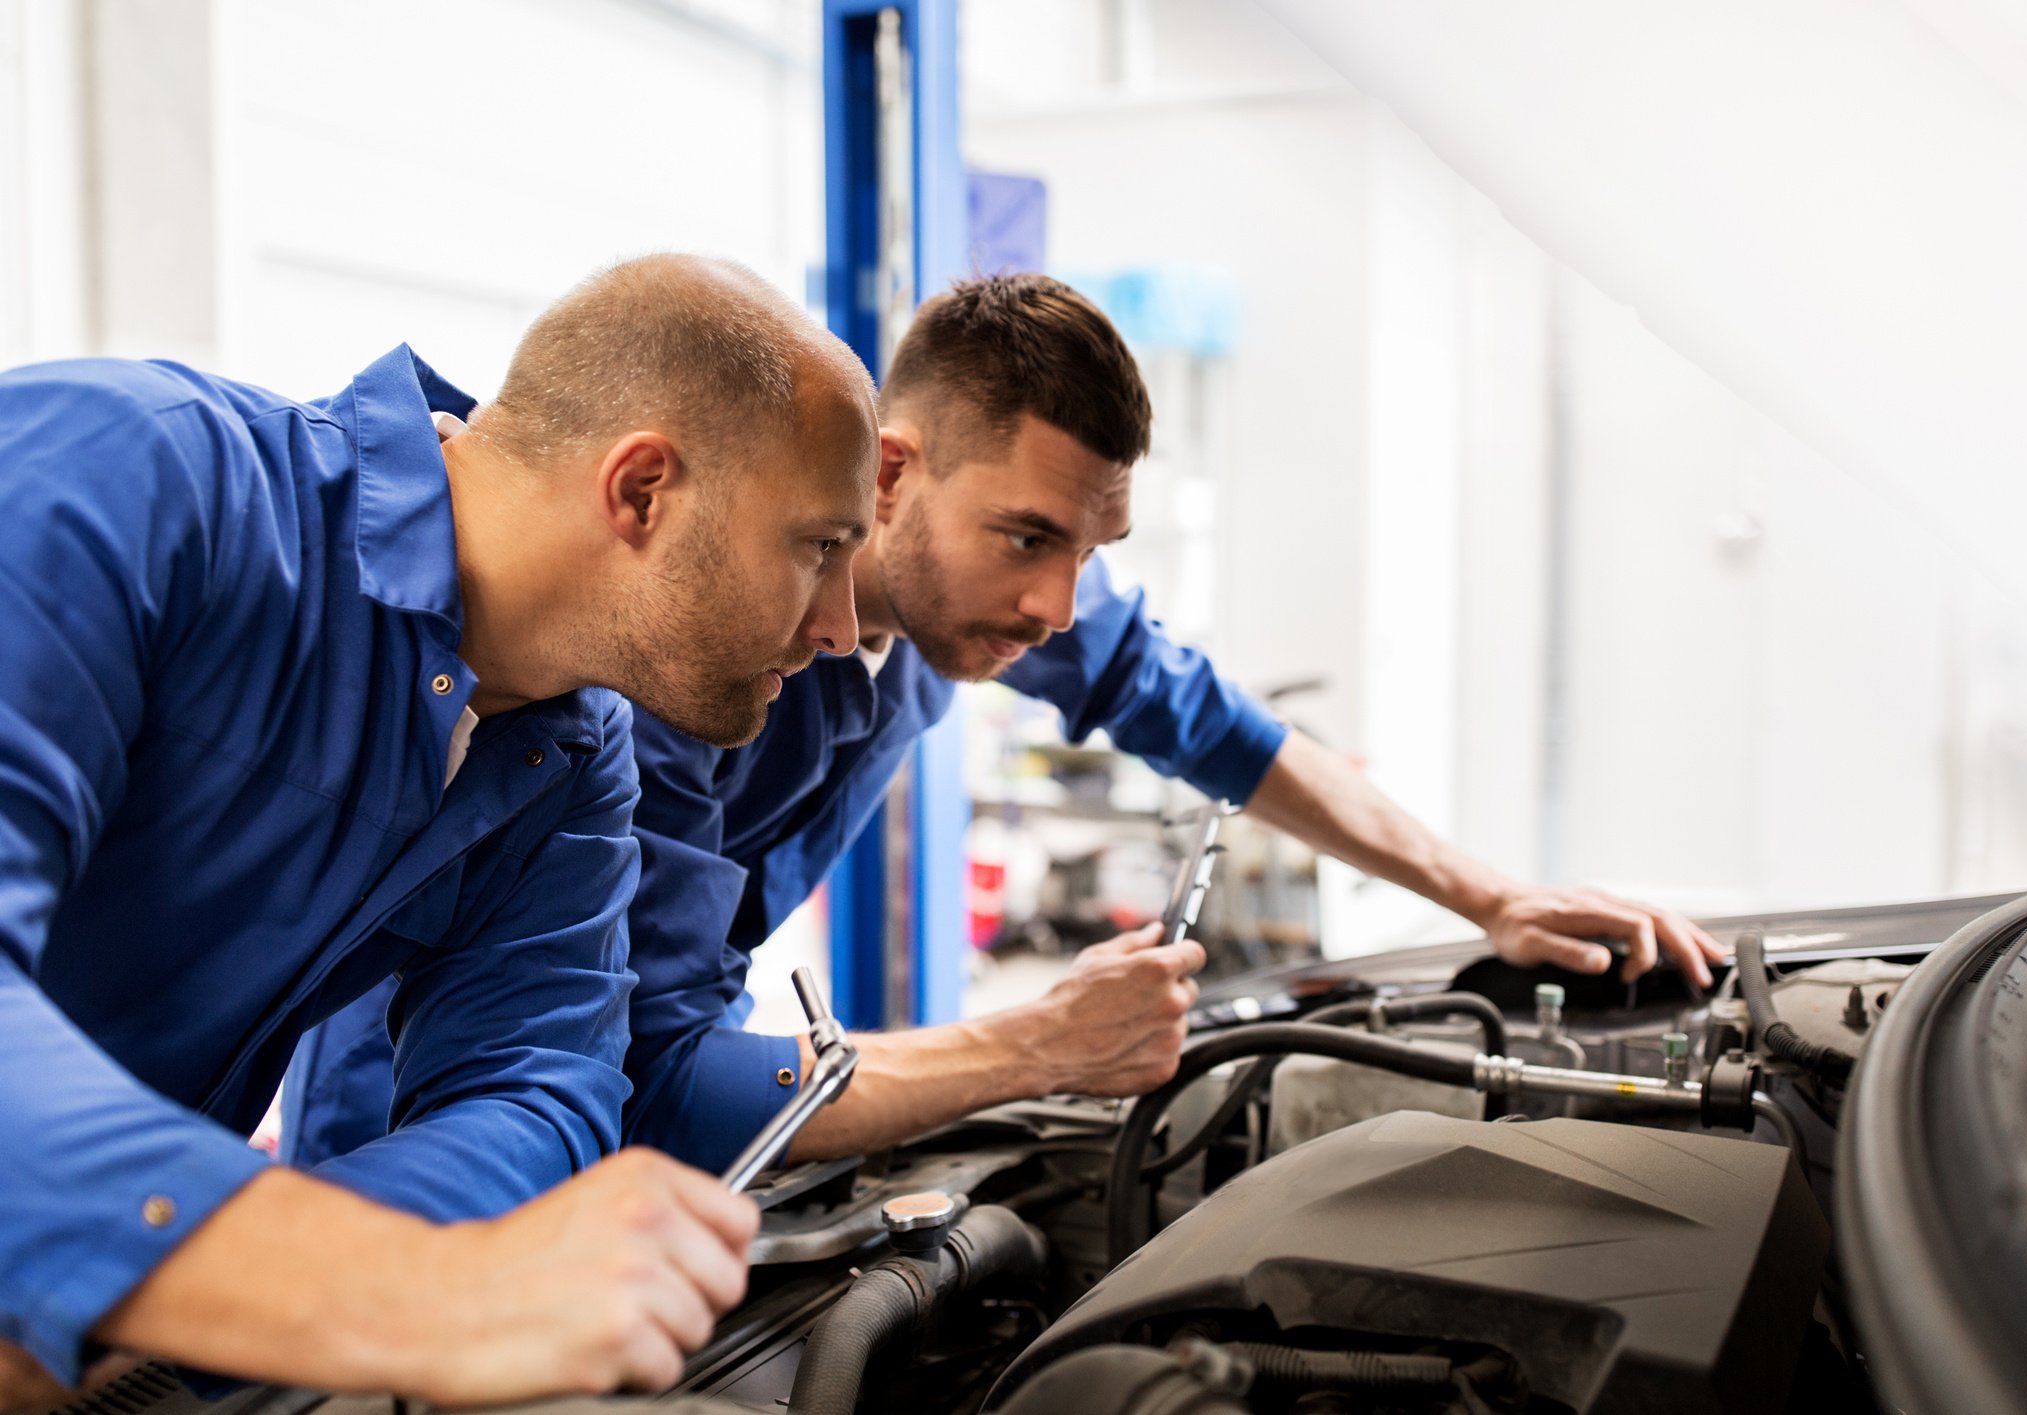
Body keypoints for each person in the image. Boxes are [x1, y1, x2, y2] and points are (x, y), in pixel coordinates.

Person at [289, 273, 1725, 1177]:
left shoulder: (965, 601)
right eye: (1028, 536)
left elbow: (1216, 727)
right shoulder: (660, 677)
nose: (1056, 603)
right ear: (892, 473)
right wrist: (1034, 1044)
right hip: (423, 1151)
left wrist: (1483, 891)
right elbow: (649, 1085)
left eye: (1087, 551)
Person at [0, 254, 878, 1411]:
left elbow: (539, 1087)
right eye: (820, 546)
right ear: (642, 491)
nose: (842, 627)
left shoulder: (567, 753)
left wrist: (218, 1290)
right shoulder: (129, 475)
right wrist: (373, 1277)